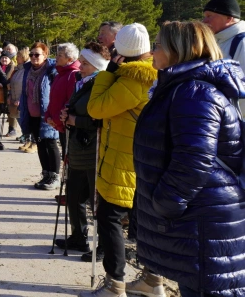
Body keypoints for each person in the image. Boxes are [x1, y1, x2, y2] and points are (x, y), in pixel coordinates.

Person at [129, 21, 245, 297]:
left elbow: (194, 158)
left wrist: (164, 203)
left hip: (203, 220)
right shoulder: (182, 88)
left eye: (157, 46)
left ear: (177, 50)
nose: (152, 52)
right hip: (198, 216)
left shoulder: (194, 92)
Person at [80, 23, 158, 297]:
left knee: (109, 218)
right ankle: (153, 280)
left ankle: (115, 284)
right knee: (145, 221)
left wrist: (107, 74)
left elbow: (96, 108)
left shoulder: (132, 80)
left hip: (124, 163)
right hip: (145, 160)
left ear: (120, 52)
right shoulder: (157, 75)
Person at [56, 42, 110, 255]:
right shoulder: (83, 83)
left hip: (94, 148)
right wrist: (67, 115)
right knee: (73, 195)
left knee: (98, 201)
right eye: (82, 62)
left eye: (86, 63)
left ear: (97, 66)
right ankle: (79, 237)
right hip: (78, 147)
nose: (80, 66)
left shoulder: (101, 85)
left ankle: (104, 246)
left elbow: (100, 119)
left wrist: (75, 120)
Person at [19, 42, 60, 188]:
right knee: (40, 144)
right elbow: (26, 93)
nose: (33, 57)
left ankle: (55, 176)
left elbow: (57, 92)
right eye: (31, 54)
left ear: (45, 55)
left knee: (50, 143)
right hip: (32, 114)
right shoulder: (28, 70)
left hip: (47, 113)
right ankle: (46, 175)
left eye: (37, 54)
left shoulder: (51, 70)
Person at [202, 0, 245, 111]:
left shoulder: (241, 42)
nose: (204, 21)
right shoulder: (218, 41)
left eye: (209, 16)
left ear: (229, 18)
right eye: (204, 17)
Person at [45, 43, 80, 167]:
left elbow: (69, 102)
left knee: (69, 158)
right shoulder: (60, 74)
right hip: (58, 123)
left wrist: (55, 119)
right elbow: (53, 98)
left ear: (69, 59)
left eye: (60, 55)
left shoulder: (73, 75)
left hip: (66, 124)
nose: (56, 58)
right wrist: (48, 116)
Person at [8, 47, 30, 144]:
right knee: (18, 117)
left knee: (23, 119)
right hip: (14, 97)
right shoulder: (17, 69)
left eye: (19, 56)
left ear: (24, 57)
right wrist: (9, 96)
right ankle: (25, 135)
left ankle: (28, 137)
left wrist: (21, 99)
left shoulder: (27, 69)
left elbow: (27, 86)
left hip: (22, 99)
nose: (16, 58)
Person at [0, 51, 18, 137]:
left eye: (6, 58)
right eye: (2, 58)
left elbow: (7, 78)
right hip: (0, 92)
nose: (4, 59)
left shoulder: (12, 67)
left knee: (10, 111)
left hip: (9, 92)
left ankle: (12, 129)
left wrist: (2, 83)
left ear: (10, 59)